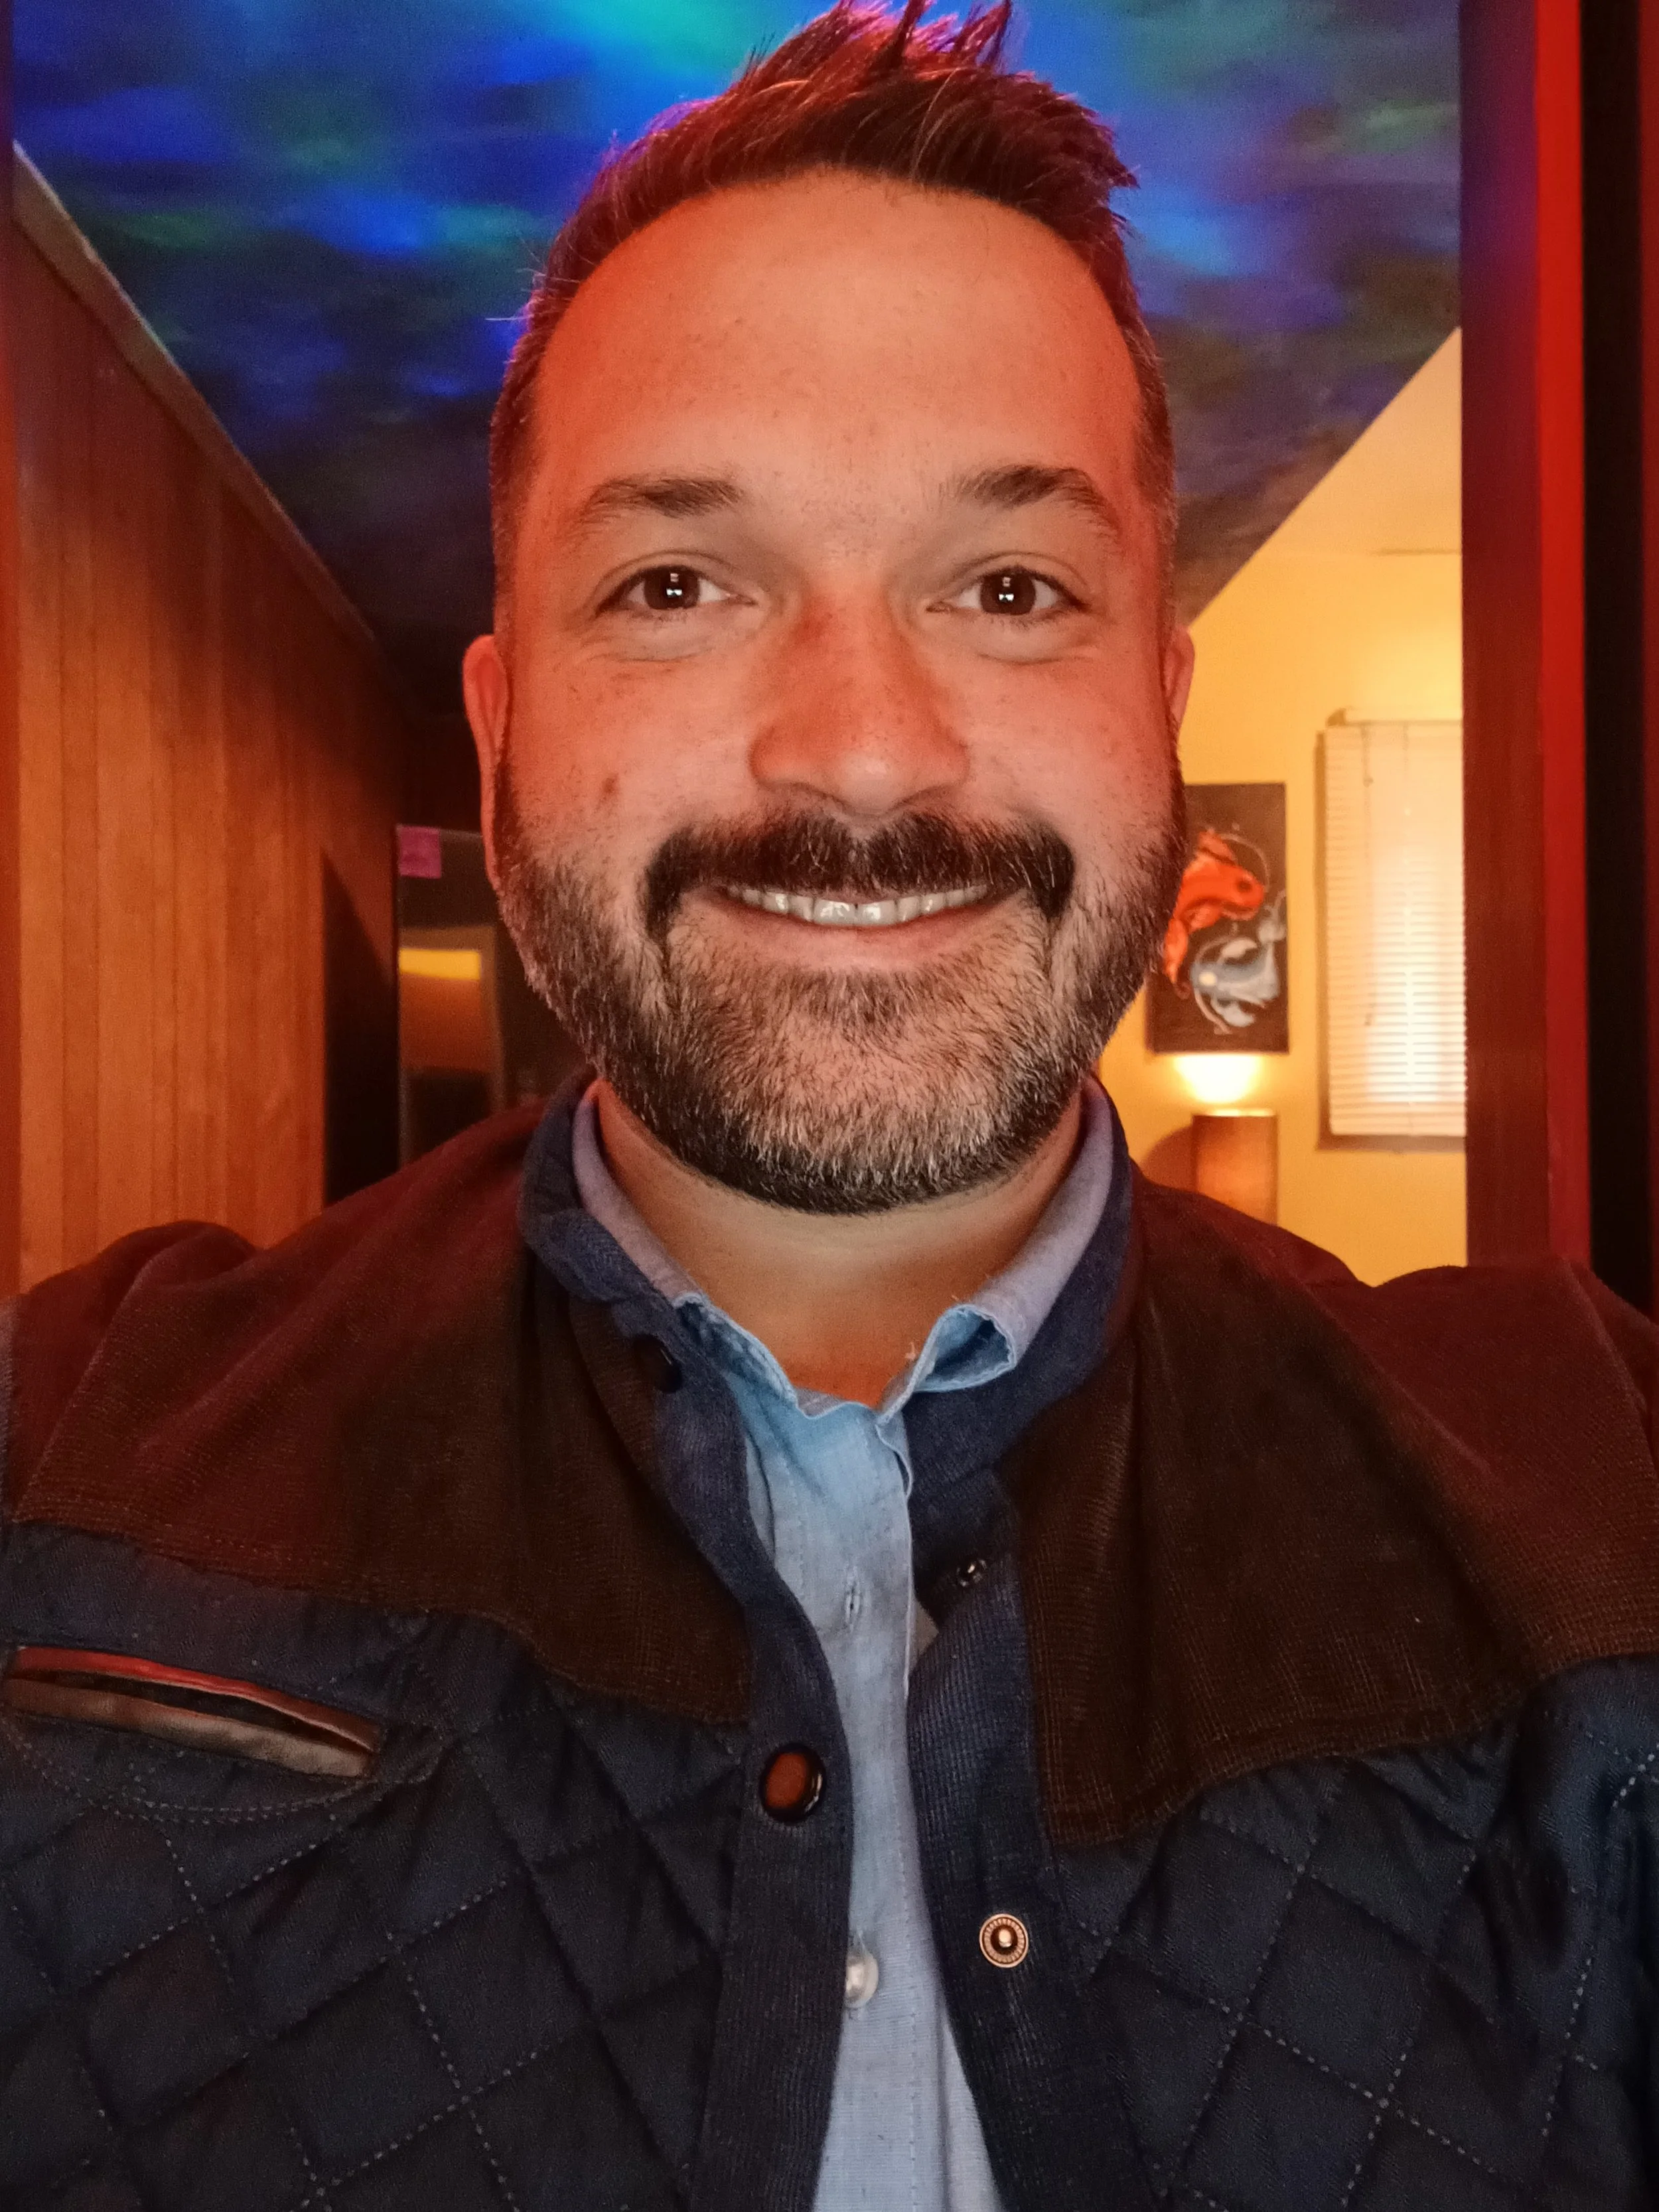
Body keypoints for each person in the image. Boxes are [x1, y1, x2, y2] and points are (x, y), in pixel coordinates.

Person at [4, 5, 1658, 2207]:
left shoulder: (1596, 1488)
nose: (862, 748)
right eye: (678, 584)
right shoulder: (71, 1445)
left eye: (1008, 587)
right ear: (499, 737)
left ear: (1157, 707)